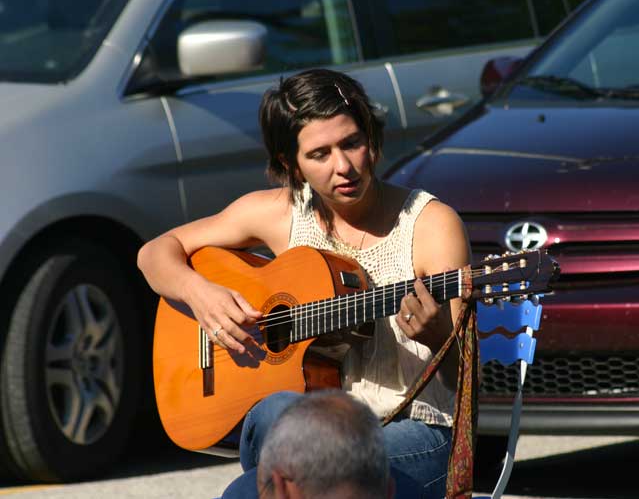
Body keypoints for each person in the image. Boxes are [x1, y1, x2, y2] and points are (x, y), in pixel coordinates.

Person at [137, 68, 470, 498]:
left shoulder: (430, 225)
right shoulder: (277, 213)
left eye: (352, 142)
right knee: (277, 412)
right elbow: (154, 253)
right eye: (320, 154)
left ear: (372, 137)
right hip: (313, 427)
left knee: (253, 490)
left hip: (415, 431)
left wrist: (440, 336)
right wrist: (202, 295)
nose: (344, 166)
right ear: (288, 164)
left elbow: (467, 383)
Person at [223, 390, 394, 499]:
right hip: (339, 386)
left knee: (246, 490)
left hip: (408, 411)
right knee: (274, 411)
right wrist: (208, 330)